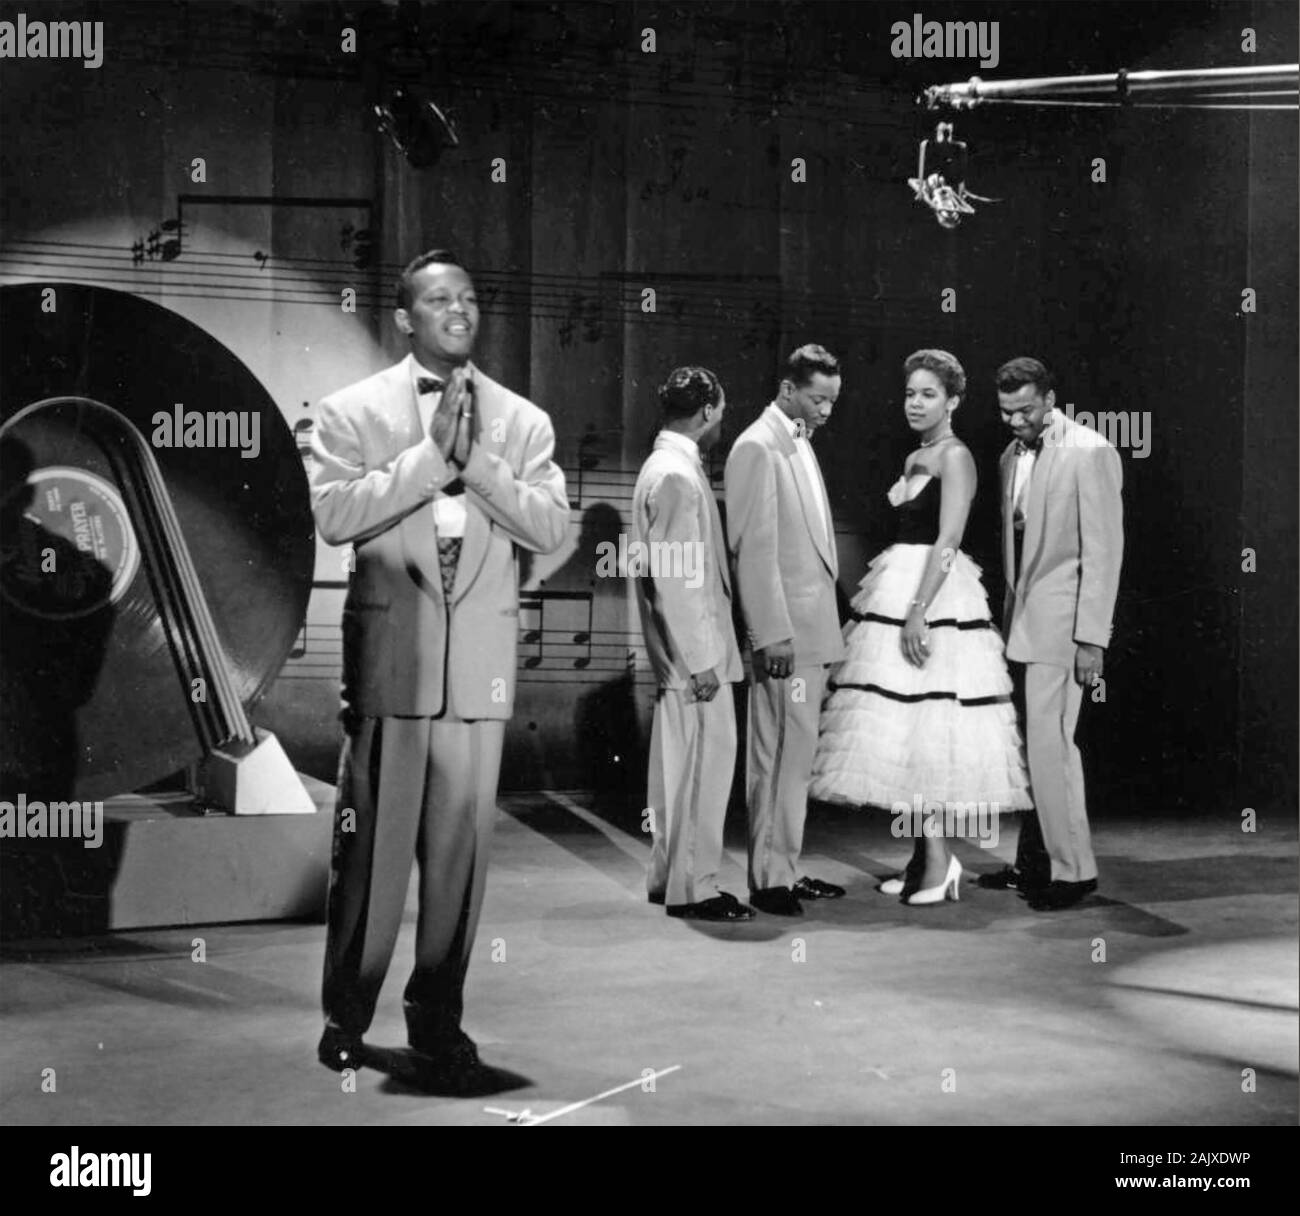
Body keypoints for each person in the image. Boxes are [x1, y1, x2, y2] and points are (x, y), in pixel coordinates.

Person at [309, 248, 570, 1089]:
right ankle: (347, 1016)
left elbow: (549, 529)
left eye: (468, 298)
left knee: (457, 866)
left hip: (478, 674)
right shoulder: (351, 412)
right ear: (404, 316)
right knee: (371, 863)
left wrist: (477, 464)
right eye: (439, 299)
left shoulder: (524, 421)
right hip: (394, 662)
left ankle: (439, 1021)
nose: (458, 310)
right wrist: (429, 461)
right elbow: (335, 515)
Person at [810, 349, 1032, 904]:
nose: (915, 402)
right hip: (899, 587)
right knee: (904, 728)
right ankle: (922, 861)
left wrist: (919, 610)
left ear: (954, 401)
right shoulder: (917, 453)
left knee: (930, 726)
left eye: (928, 394)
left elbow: (950, 539)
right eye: (910, 392)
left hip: (934, 596)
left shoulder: (955, 456)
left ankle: (939, 863)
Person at [978, 357, 1123, 911]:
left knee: (1053, 748)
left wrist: (1093, 638)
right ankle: (1035, 861)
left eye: (1025, 410)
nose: (1016, 421)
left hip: (1064, 630)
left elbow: (1104, 553)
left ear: (1050, 398)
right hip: (1023, 625)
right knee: (1033, 749)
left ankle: (1073, 870)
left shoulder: (1088, 451)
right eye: (1006, 412)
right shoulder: (1009, 456)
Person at [725, 344, 848, 916]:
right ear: (788, 389)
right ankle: (770, 879)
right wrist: (769, 632)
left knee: (795, 757)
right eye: (818, 399)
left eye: (832, 401)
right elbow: (752, 550)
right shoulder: (758, 445)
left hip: (810, 633)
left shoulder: (796, 441)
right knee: (775, 755)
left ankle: (785, 868)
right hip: (785, 639)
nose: (826, 411)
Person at [632, 367, 753, 922]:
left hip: (677, 653)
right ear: (707, 411)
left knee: (676, 772)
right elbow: (678, 581)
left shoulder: (660, 467)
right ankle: (696, 888)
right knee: (702, 772)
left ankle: (669, 878)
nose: (721, 420)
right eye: (721, 411)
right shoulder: (678, 476)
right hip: (696, 657)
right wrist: (705, 662)